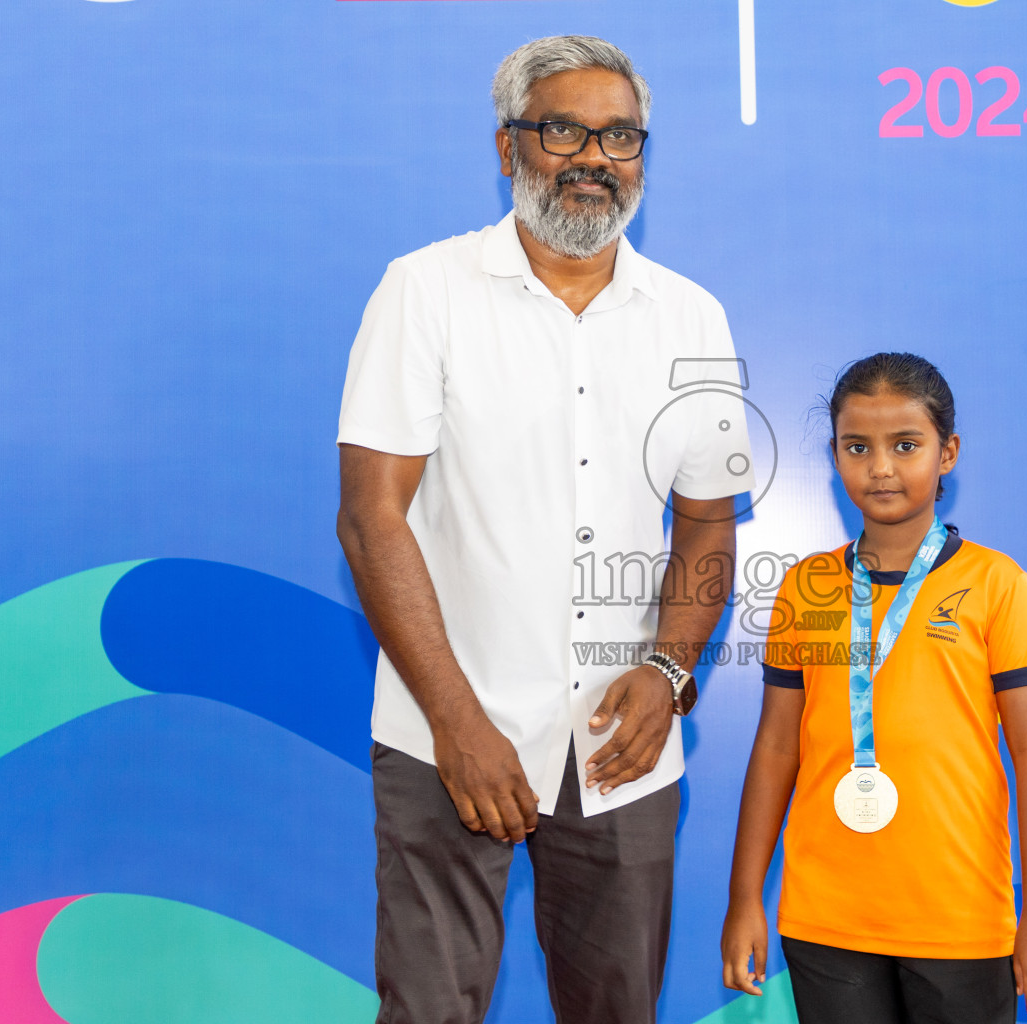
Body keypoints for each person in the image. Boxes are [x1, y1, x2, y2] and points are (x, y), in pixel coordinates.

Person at [335, 36, 755, 1024]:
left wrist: (666, 673)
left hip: (620, 745)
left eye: (619, 136)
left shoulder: (693, 318)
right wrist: (456, 721)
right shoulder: (422, 292)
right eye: (561, 128)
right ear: (507, 145)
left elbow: (705, 526)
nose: (593, 157)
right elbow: (369, 518)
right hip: (447, 737)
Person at [720, 353, 1027, 1023]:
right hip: (826, 920)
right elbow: (775, 748)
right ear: (835, 456)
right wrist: (744, 900)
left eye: (905, 445)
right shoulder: (809, 588)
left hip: (960, 917)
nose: (880, 466)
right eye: (859, 447)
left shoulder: (997, 586)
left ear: (948, 454)